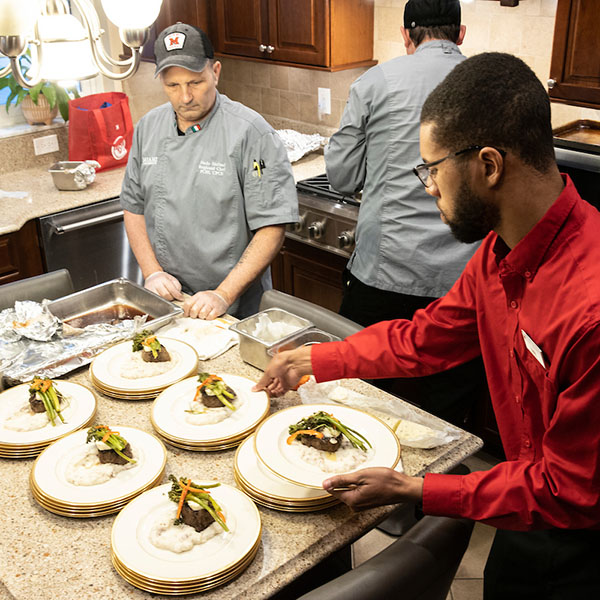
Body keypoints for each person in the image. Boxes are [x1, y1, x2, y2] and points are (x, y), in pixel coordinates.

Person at [254, 52, 600, 599]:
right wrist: (315, 359)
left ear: (489, 165)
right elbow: (425, 339)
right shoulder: (498, 254)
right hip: (525, 503)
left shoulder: (589, 310)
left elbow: (568, 490)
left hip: (581, 541)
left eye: (433, 169)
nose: (427, 187)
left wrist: (414, 487)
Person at [325, 0, 484, 426]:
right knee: (440, 417)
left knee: (360, 399)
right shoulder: (488, 85)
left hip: (383, 275)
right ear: (460, 34)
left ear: (405, 35)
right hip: (461, 287)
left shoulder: (374, 82)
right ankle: (428, 488)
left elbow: (340, 176)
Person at [121, 23, 298, 320]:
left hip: (231, 305)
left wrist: (222, 294)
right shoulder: (148, 128)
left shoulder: (251, 133)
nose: (185, 97)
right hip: (167, 298)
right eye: (172, 86)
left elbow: (272, 226)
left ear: (215, 72)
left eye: (195, 82)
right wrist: (152, 273)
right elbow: (133, 206)